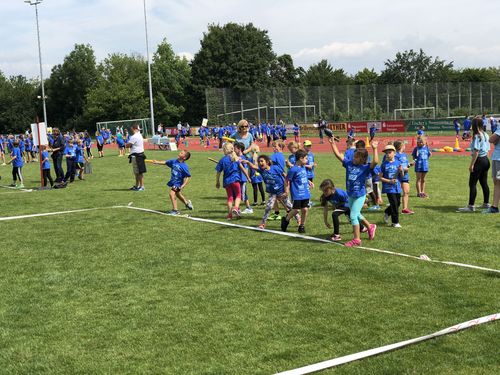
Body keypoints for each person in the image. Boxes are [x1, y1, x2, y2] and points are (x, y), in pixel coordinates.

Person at [328, 137, 379, 247]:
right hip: (350, 194)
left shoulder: (365, 167)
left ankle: (357, 239)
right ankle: (370, 227)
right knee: (357, 214)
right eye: (354, 156)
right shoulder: (349, 164)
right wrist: (333, 144)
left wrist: (375, 149)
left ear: (362, 159)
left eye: (356, 157)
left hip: (359, 195)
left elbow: (375, 162)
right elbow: (339, 156)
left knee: (353, 216)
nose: (353, 158)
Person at [243, 155, 299, 229]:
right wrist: (247, 162)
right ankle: (263, 223)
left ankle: (299, 219)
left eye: (262, 161)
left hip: (281, 191)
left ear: (267, 162)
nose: (260, 163)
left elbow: (285, 176)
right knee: (268, 207)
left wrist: (287, 189)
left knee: (289, 206)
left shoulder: (275, 168)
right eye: (259, 161)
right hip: (272, 192)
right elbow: (253, 166)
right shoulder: (261, 170)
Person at [458, 117, 490, 212]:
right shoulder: (485, 134)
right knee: (484, 183)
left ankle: (471, 206)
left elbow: (476, 151)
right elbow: (488, 149)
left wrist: (472, 164)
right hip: (485, 160)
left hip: (479, 161)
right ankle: (486, 203)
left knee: (472, 184)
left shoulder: (477, 135)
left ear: (475, 125)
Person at [280, 149, 313, 233]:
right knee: (296, 210)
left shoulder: (303, 167)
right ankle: (286, 219)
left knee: (305, 209)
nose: (307, 160)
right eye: (306, 158)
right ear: (301, 158)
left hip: (305, 193)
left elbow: (303, 177)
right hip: (297, 193)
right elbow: (287, 180)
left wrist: (309, 182)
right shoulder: (293, 170)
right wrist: (287, 191)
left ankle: (302, 226)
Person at [152, 150, 193, 215]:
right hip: (173, 182)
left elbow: (187, 176)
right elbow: (165, 162)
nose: (179, 153)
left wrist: (184, 184)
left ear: (184, 157)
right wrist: (157, 162)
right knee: (178, 194)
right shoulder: (174, 161)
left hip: (178, 183)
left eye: (181, 153)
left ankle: (175, 210)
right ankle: (187, 203)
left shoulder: (184, 166)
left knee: (172, 194)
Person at [215, 142, 249, 220]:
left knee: (230, 197)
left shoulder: (222, 160)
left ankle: (229, 215)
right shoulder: (236, 158)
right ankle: (236, 208)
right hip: (235, 180)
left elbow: (218, 172)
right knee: (238, 195)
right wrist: (248, 177)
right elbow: (242, 168)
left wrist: (217, 182)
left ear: (224, 150)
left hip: (227, 182)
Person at [380, 145, 404, 227]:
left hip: (397, 187)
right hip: (389, 188)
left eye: (389, 152)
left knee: (398, 203)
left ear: (394, 153)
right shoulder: (384, 164)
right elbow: (380, 177)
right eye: (386, 153)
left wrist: (401, 171)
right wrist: (389, 181)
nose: (388, 154)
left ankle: (387, 211)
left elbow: (402, 176)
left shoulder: (398, 163)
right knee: (394, 204)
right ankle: (395, 222)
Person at [394, 140, 414, 214]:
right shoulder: (395, 155)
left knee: (406, 192)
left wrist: (409, 164)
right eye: (404, 145)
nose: (405, 146)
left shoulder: (404, 155)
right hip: (397, 176)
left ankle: (405, 209)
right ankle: (394, 207)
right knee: (397, 193)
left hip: (405, 176)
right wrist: (404, 168)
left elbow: (405, 164)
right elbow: (396, 165)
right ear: (401, 146)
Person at [126, 124, 146, 191]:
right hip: (138, 155)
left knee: (139, 172)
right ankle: (137, 186)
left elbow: (128, 145)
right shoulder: (139, 135)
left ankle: (142, 186)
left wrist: (125, 143)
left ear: (133, 128)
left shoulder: (134, 136)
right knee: (137, 172)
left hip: (137, 156)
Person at [486, 120, 500, 213]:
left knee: (497, 182)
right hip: (497, 157)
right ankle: (494, 206)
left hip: (499, 158)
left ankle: (494, 207)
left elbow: (491, 139)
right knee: (497, 182)